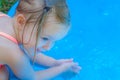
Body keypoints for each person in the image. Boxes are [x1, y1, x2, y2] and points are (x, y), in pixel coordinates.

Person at [0, 0, 81, 80]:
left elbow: (28, 51)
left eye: (53, 41)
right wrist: (62, 70)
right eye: (45, 38)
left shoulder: (5, 18)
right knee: (4, 73)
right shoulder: (14, 54)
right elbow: (32, 77)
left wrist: (54, 63)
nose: (48, 47)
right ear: (20, 22)